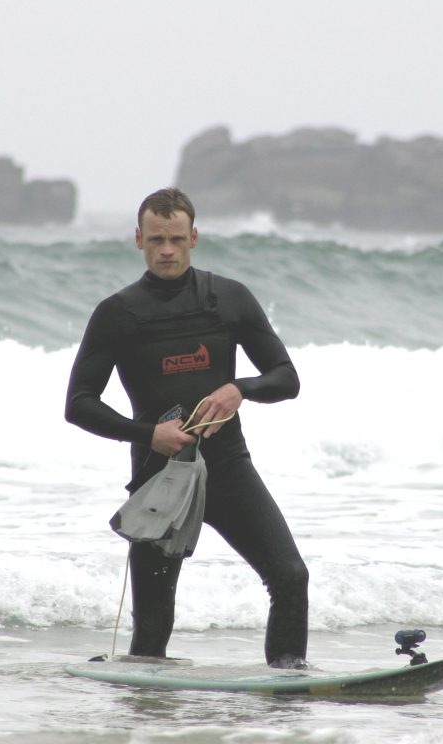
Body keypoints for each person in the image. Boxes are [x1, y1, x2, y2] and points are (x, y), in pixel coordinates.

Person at [64, 187, 308, 668]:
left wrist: (240, 389)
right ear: (139, 239)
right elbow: (79, 404)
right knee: (152, 626)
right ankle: (149, 713)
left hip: (228, 469)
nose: (167, 249)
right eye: (156, 239)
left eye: (177, 238)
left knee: (290, 576)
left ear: (194, 236)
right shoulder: (118, 313)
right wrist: (148, 434)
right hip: (161, 478)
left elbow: (286, 378)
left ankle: (288, 683)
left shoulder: (228, 299)